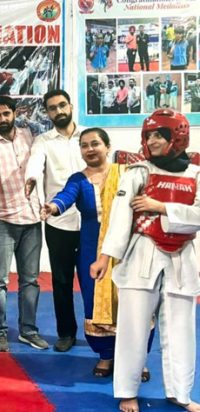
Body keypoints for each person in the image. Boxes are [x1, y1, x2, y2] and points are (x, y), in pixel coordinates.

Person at [91, 109, 200, 412]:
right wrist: (105, 257)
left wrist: (161, 207)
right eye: (148, 135)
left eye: (159, 135)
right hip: (142, 253)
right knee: (133, 327)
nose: (151, 141)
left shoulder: (195, 173)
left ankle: (180, 392)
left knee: (182, 327)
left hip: (183, 257)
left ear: (176, 137)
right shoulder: (138, 172)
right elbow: (120, 218)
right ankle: (127, 391)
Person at [40, 128, 153, 379]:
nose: (90, 149)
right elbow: (65, 197)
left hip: (129, 250)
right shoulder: (78, 180)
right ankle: (106, 355)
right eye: (84, 145)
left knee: (134, 304)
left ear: (107, 146)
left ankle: (138, 360)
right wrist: (53, 207)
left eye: (95, 144)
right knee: (96, 303)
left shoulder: (126, 175)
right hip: (92, 251)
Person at [0, 95, 47, 352]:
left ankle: (28, 330)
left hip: (31, 219)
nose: (2, 119)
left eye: (6, 114)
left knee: (30, 280)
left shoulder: (29, 135)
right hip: (2, 220)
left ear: (14, 113)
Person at [25, 89, 85, 352]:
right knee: (61, 281)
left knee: (96, 280)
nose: (58, 111)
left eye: (62, 105)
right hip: (58, 220)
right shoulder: (43, 141)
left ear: (70, 106)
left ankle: (103, 331)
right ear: (47, 113)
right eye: (52, 108)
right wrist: (31, 179)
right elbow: (34, 166)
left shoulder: (89, 136)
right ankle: (66, 333)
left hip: (93, 220)